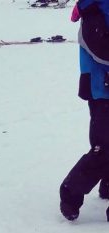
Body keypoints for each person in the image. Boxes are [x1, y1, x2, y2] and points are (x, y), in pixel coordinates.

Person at [59, 0, 109, 221]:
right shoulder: (94, 6)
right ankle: (71, 194)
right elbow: (100, 48)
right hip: (102, 88)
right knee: (104, 147)